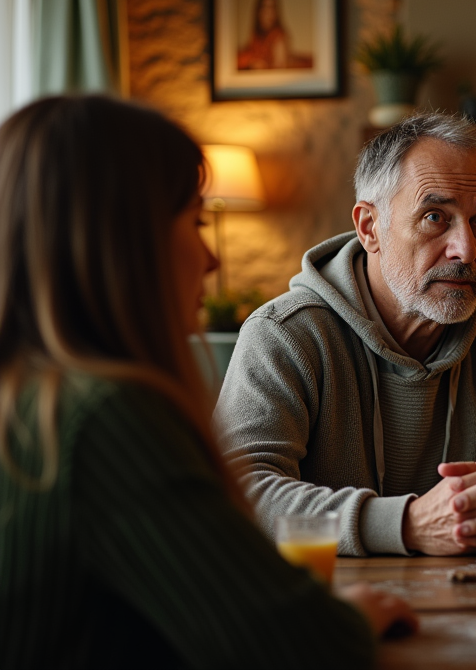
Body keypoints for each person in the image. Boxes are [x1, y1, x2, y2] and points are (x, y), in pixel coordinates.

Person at [0, 96, 416, 668]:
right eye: (194, 221)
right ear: (121, 241)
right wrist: (354, 614)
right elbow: (289, 644)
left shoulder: (28, 395)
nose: (212, 259)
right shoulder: (105, 419)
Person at [215, 113, 476, 557]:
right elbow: (236, 491)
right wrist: (405, 525)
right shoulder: (285, 336)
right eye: (436, 216)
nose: (467, 249)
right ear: (369, 227)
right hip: (332, 610)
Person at [236, 0, 313, 71]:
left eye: (272, 7)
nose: (269, 12)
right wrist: (251, 62)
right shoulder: (255, 37)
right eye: (265, 7)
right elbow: (241, 57)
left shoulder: (279, 36)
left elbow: (279, 70)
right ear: (258, 11)